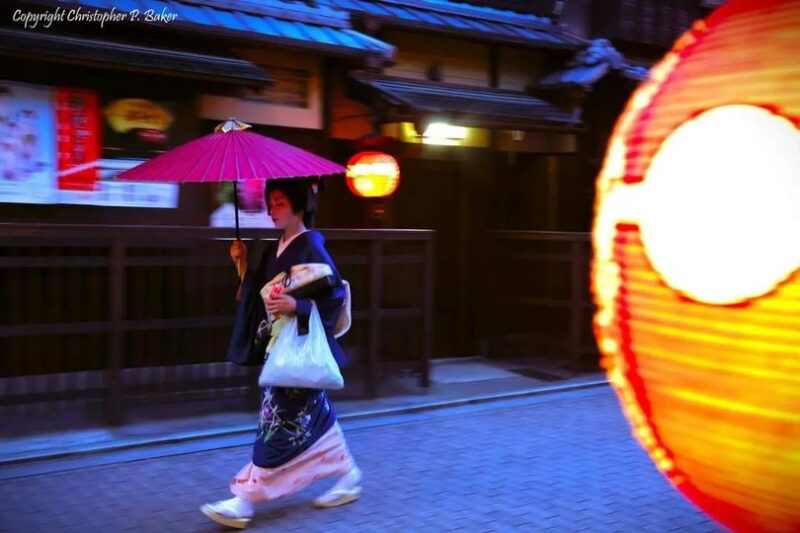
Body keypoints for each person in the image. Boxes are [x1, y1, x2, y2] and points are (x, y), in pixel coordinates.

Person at [202, 178, 362, 529]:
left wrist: (298, 305)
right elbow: (257, 294)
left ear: (298, 206)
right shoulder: (277, 247)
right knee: (315, 416)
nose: (271, 210)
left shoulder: (312, 246)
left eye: (278, 203)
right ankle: (348, 473)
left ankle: (244, 500)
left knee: (275, 422)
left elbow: (334, 296)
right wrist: (242, 264)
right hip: (283, 349)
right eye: (270, 203)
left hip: (296, 347)